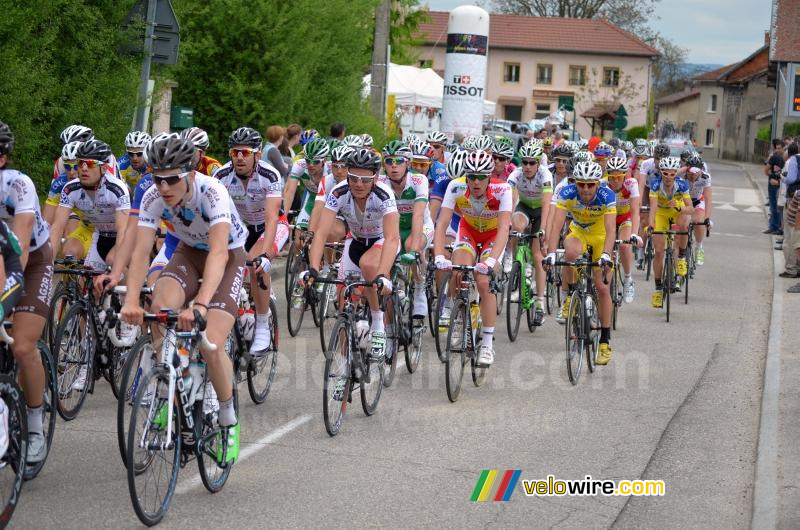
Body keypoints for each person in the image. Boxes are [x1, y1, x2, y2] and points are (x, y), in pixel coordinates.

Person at [121, 133, 248, 464]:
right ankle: (170, 389)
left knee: (210, 343)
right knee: (160, 308)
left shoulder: (212, 192)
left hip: (228, 256)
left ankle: (227, 418)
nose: (164, 188)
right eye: (157, 179)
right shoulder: (152, 196)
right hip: (189, 253)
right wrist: (132, 300)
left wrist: (201, 304)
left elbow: (220, 252)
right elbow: (139, 253)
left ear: (190, 173)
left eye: (172, 179)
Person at [301, 148, 400, 360]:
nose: (358, 184)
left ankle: (377, 323)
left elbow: (392, 238)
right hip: (354, 241)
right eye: (354, 178)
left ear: (375, 177)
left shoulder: (384, 194)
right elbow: (321, 234)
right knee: (344, 299)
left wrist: (383, 274)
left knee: (369, 266)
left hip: (382, 241)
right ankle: (344, 367)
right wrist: (313, 268)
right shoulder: (338, 192)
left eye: (365, 180)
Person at [0, 122, 52, 464]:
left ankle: (34, 426)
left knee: (22, 345)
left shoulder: (19, 185)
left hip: (30, 262)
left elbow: (18, 250)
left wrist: (5, 302)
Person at [434, 151, 512, 366]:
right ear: (466, 176)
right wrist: (439, 254)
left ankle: (487, 343)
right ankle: (459, 318)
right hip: (468, 231)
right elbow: (441, 224)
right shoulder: (456, 187)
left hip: (493, 236)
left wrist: (492, 261)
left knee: (484, 281)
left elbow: (505, 227)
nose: (476, 182)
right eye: (471, 176)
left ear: (489, 176)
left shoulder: (502, 189)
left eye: (481, 177)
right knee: (457, 270)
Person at [215, 127, 283, 354]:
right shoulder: (221, 177)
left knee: (256, 263)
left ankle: (263, 326)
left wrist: (265, 254)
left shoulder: (270, 175)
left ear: (257, 154)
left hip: (270, 226)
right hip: (241, 228)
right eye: (235, 153)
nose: (240, 158)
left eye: (245, 152)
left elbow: (272, 217)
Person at [545, 161, 615, 364]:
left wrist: (607, 255)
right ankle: (569, 297)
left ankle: (604, 340)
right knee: (570, 253)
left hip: (600, 235)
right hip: (579, 232)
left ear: (597, 184)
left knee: (602, 287)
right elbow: (557, 226)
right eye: (581, 184)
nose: (585, 189)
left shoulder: (607, 195)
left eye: (590, 185)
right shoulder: (567, 193)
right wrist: (550, 253)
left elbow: (611, 230)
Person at [50, 139, 130, 270]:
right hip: (101, 236)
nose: (84, 168)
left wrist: (116, 267)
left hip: (125, 237)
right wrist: (47, 264)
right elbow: (57, 227)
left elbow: (124, 230)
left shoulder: (117, 189)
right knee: (89, 279)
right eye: (80, 163)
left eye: (90, 164)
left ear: (104, 168)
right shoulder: (70, 189)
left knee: (113, 262)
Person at [378, 140, 433, 317]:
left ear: (408, 163)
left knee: (411, 246)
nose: (394, 166)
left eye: (399, 161)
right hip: (393, 229)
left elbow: (418, 215)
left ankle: (419, 287)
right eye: (389, 162)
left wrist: (415, 249)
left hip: (420, 226)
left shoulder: (419, 180)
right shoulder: (381, 183)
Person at [505, 142, 551, 325]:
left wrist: (543, 230)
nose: (528, 166)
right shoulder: (515, 174)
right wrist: (507, 221)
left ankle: (539, 302)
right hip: (524, 207)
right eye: (525, 162)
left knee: (538, 255)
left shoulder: (545, 175)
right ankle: (519, 262)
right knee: (516, 226)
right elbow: (509, 200)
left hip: (541, 211)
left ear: (539, 163)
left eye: (532, 163)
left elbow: (547, 206)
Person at [647, 156, 693, 309]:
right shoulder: (655, 185)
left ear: (675, 174)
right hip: (660, 213)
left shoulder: (682, 185)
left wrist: (679, 208)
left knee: (684, 223)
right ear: (661, 172)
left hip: (677, 211)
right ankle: (659, 289)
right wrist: (651, 225)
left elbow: (690, 208)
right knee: (659, 252)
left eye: (672, 174)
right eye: (665, 174)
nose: (668, 177)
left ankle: (680, 257)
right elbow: (653, 208)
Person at [605, 156, 642, 302]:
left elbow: (634, 211)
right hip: (608, 219)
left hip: (625, 219)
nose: (615, 181)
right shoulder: (602, 185)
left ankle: (628, 279)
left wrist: (634, 234)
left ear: (624, 174)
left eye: (619, 176)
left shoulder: (631, 184)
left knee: (625, 246)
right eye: (612, 177)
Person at [684, 153, 713, 265]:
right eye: (691, 172)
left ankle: (699, 247)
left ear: (701, 170)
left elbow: (708, 198)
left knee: (699, 222)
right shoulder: (682, 175)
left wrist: (707, 218)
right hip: (684, 201)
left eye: (696, 172)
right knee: (683, 225)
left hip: (697, 200)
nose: (693, 175)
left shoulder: (706, 177)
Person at [764, 139, 784, 235]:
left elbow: (766, 170)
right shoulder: (776, 158)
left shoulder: (784, 158)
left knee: (776, 206)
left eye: (780, 148)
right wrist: (772, 176)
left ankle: (775, 227)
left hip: (779, 185)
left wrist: (774, 177)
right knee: (774, 206)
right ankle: (773, 226)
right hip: (775, 184)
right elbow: (766, 170)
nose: (778, 150)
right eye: (777, 148)